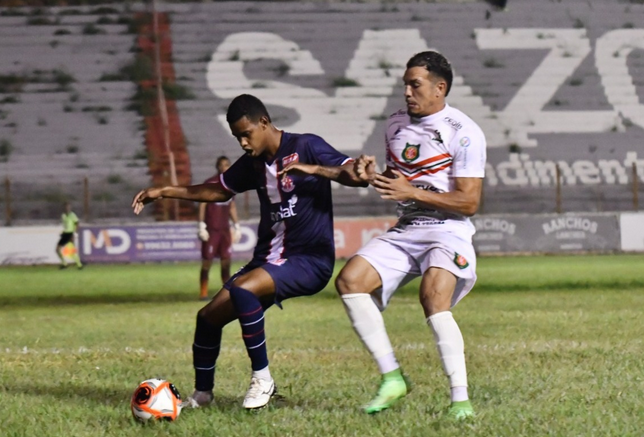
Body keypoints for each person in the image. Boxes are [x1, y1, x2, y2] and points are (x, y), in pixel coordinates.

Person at [131, 94, 366, 410]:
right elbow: (217, 190)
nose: (242, 142)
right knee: (207, 319)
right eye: (236, 137)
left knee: (243, 290)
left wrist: (320, 169)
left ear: (265, 122)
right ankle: (202, 395)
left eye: (246, 133)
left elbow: (352, 174)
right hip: (268, 260)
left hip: (309, 260)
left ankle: (263, 379)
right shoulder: (254, 164)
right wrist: (164, 191)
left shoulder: (306, 145)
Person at [335, 51, 486, 419]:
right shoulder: (395, 124)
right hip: (408, 228)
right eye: (404, 84)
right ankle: (392, 378)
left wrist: (412, 192)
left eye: (414, 84)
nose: (406, 91)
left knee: (433, 296)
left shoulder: (463, 132)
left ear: (439, 88)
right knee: (350, 281)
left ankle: (460, 401)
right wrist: (372, 174)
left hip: (447, 229)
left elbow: (468, 202)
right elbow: (399, 178)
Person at [197, 155, 241, 301]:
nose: (224, 167)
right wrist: (201, 225)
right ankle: (203, 292)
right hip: (212, 229)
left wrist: (237, 225)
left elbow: (232, 206)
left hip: (225, 230)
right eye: (222, 165)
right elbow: (202, 203)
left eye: (227, 165)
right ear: (217, 167)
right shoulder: (210, 183)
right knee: (207, 261)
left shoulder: (231, 184)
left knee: (226, 261)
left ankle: (226, 292)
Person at [56, 202, 83, 270]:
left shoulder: (72, 215)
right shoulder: (63, 215)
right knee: (58, 250)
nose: (67, 208)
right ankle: (68, 264)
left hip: (70, 234)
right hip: (65, 234)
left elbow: (77, 223)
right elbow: (66, 226)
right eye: (65, 207)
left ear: (70, 207)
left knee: (70, 251)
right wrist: (63, 232)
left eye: (68, 207)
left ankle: (78, 265)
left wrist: (74, 234)